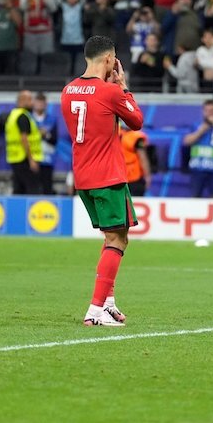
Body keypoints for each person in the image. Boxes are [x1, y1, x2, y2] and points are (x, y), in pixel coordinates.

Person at [60, 35, 144, 327]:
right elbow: (137, 121)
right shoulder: (110, 92)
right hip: (107, 175)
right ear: (109, 60)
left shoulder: (68, 90)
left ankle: (107, 303)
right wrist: (123, 87)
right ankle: (95, 310)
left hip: (83, 175)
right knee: (116, 238)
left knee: (115, 237)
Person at [184, 99, 213, 198]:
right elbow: (186, 141)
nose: (209, 113)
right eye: (207, 110)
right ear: (203, 111)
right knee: (195, 196)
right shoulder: (196, 125)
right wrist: (201, 130)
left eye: (212, 110)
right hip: (198, 168)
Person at [5, 90, 43, 195]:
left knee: (18, 190)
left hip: (15, 158)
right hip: (24, 159)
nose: (32, 103)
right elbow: (24, 138)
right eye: (30, 100)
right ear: (22, 101)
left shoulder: (13, 115)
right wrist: (31, 160)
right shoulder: (23, 117)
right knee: (32, 189)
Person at [31, 92, 58, 195]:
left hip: (47, 159)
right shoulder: (30, 118)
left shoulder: (52, 119)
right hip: (33, 159)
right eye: (38, 103)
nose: (40, 105)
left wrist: (46, 135)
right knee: (33, 188)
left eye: (42, 103)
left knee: (47, 187)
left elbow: (55, 139)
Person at [120, 121, 151, 196]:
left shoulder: (115, 133)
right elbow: (143, 158)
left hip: (119, 176)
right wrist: (147, 176)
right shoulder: (136, 137)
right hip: (134, 177)